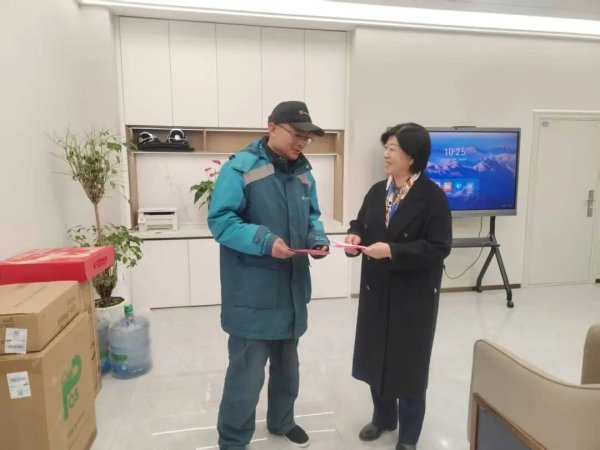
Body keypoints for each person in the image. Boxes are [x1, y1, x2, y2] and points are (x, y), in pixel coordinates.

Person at [207, 100, 330, 450]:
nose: (302, 142)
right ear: (272, 127)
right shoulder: (240, 168)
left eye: (307, 137)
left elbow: (312, 215)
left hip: (291, 291)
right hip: (253, 294)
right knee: (246, 377)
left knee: (288, 370)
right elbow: (221, 221)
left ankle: (282, 421)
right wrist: (264, 240)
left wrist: (317, 238)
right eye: (297, 134)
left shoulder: (303, 172)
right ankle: (233, 440)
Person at [344, 123, 452, 450]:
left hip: (413, 297)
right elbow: (361, 222)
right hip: (377, 290)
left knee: (408, 366)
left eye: (393, 148)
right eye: (386, 147)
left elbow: (439, 247)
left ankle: (408, 437)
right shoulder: (378, 190)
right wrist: (354, 236)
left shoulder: (432, 197)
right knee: (376, 356)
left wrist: (393, 250)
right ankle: (383, 418)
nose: (386, 154)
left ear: (412, 156)